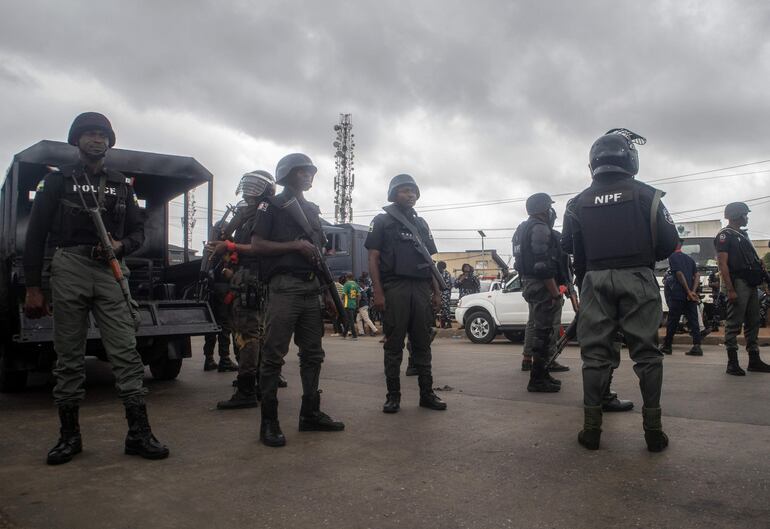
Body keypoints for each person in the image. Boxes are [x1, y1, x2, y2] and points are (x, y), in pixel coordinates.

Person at [23, 112, 168, 464]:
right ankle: (69, 437)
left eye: (102, 134)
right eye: (89, 133)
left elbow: (139, 232)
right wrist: (33, 287)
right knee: (69, 355)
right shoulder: (57, 182)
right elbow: (36, 234)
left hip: (109, 269)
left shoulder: (122, 186)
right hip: (68, 266)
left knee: (126, 352)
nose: (96, 139)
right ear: (76, 140)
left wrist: (120, 246)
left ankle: (138, 434)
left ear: (110, 141)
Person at [561, 128, 679, 452]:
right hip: (638, 278)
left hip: (594, 281)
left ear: (592, 165)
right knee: (647, 355)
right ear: (631, 160)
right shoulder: (648, 196)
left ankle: (591, 430)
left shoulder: (576, 203)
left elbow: (570, 248)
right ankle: (653, 431)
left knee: (595, 357)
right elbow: (670, 244)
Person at [250, 153, 345, 447]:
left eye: (310, 172)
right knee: (273, 355)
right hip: (284, 287)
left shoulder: (311, 210)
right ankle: (269, 421)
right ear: (288, 175)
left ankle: (310, 413)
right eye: (302, 172)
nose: (308, 176)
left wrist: (329, 292)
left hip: (311, 288)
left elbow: (319, 255)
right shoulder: (272, 205)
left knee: (313, 354)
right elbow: (257, 244)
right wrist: (294, 245)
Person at [366, 173, 446, 413]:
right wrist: (378, 292)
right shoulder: (381, 221)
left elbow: (429, 260)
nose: (410, 194)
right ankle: (393, 396)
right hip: (395, 287)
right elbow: (373, 257)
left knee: (422, 344)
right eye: (404, 190)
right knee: (393, 345)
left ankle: (427, 394)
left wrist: (436, 292)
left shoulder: (421, 224)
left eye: (413, 190)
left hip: (421, 288)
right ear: (393, 194)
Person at [208, 170, 276, 410]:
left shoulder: (264, 213)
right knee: (249, 333)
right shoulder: (249, 215)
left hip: (252, 280)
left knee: (248, 335)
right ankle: (256, 383)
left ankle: (246, 389)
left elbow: (259, 248)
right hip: (244, 278)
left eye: (256, 185)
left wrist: (230, 245)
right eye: (247, 184)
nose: (249, 190)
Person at [512, 193, 564, 392]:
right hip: (541, 285)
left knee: (539, 329)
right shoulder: (540, 228)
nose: (551, 211)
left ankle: (542, 374)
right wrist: (554, 293)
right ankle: (537, 379)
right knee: (543, 332)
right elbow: (542, 265)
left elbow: (520, 262)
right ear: (543, 209)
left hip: (529, 283)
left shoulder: (522, 229)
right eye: (549, 207)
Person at [714, 202, 770, 375]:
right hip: (738, 282)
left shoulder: (743, 236)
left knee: (753, 321)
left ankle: (754, 360)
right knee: (734, 324)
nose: (747, 217)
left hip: (751, 283)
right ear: (737, 215)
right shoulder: (725, 235)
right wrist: (730, 289)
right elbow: (722, 263)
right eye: (745, 214)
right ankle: (732, 363)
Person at [661, 239, 702, 356]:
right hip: (690, 297)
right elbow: (697, 275)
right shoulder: (689, 259)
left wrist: (688, 291)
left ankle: (667, 346)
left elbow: (679, 273)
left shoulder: (672, 257)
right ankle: (697, 346)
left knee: (673, 320)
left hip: (678, 294)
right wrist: (693, 292)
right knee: (693, 321)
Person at [342, 273, 360, 339]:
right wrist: (357, 305)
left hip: (347, 304)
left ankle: (354, 335)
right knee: (349, 320)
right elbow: (358, 296)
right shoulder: (356, 284)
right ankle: (344, 334)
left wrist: (342, 300)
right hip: (354, 304)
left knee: (351, 320)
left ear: (347, 277)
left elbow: (343, 294)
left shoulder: (346, 284)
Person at [436, 261, 454, 328]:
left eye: (439, 266)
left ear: (443, 267)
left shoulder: (447, 274)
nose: (438, 268)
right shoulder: (438, 274)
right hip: (440, 293)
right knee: (440, 308)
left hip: (445, 293)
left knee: (446, 308)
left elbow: (447, 285)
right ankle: (442, 324)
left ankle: (449, 323)